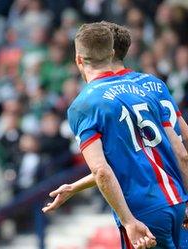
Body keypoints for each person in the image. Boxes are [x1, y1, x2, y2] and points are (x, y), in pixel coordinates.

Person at [44, 20, 188, 249]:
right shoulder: (143, 88)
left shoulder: (84, 105)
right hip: (177, 199)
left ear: (78, 60)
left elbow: (102, 170)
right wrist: (75, 186)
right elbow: (177, 150)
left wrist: (128, 221)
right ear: (110, 53)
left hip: (142, 210)